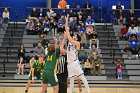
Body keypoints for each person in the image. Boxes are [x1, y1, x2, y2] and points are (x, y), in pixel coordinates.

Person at [64, 15, 90, 93]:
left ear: (77, 38)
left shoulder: (77, 43)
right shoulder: (71, 41)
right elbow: (66, 30)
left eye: (75, 36)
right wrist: (66, 20)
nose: (74, 36)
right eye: (74, 35)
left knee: (82, 77)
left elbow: (68, 35)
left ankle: (88, 91)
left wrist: (68, 32)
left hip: (75, 63)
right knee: (71, 80)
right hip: (69, 64)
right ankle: (70, 91)